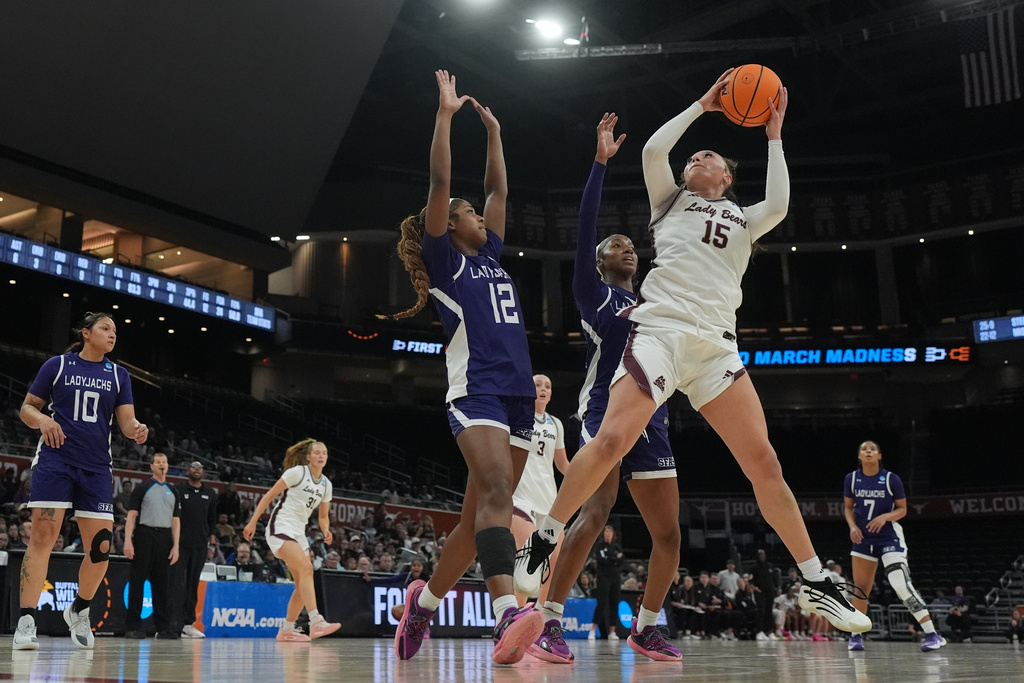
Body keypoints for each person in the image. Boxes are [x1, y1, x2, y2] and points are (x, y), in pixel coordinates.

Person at [515, 70, 868, 641]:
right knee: (609, 442)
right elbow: (656, 147)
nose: (695, 156)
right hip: (660, 332)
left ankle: (815, 580)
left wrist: (774, 135)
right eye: (694, 155)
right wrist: (704, 106)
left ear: (727, 177)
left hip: (714, 347)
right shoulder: (669, 200)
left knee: (766, 464)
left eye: (708, 156)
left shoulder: (745, 217)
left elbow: (778, 200)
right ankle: (545, 536)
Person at [387, 70, 542, 665]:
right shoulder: (444, 259)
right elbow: (441, 179)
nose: (482, 216)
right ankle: (508, 617)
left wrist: (497, 135)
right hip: (473, 392)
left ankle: (421, 606)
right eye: (470, 213)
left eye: (480, 213)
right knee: (500, 490)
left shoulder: (494, 255)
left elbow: (500, 193)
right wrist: (447, 116)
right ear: (451, 225)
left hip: (517, 395)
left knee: (476, 522)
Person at [523, 114, 683, 664]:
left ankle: (647, 625)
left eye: (631, 245)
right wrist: (599, 163)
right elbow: (587, 224)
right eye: (618, 245)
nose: (628, 249)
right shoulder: (595, 296)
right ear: (600, 262)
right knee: (596, 513)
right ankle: (549, 620)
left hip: (652, 416)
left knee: (669, 534)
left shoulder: (652, 305)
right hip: (601, 410)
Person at [16, 312, 149, 650]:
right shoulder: (57, 366)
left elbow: (126, 421)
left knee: (102, 545)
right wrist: (43, 421)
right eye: (106, 328)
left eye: (115, 330)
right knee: (43, 537)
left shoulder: (118, 375)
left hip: (95, 467)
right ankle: (27, 621)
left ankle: (79, 609)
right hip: (55, 460)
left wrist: (136, 430)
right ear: (86, 333)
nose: (112, 334)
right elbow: (27, 409)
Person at [844, 440, 946, 652]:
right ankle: (855, 636)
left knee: (900, 584)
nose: (868, 451)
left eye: (873, 449)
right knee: (861, 589)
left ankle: (932, 634)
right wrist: (852, 526)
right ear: (859, 456)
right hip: (863, 538)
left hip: (889, 536)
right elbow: (848, 508)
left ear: (879, 455)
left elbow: (902, 509)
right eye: (864, 449)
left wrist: (885, 517)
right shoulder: (851, 479)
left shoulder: (891, 479)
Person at [243, 439, 340, 642]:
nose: (321, 456)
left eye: (325, 453)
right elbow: (269, 495)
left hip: (298, 533)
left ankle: (286, 629)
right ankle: (316, 621)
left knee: (301, 583)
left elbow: (323, 516)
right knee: (307, 569)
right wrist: (252, 522)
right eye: (317, 452)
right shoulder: (297, 472)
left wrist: (326, 530)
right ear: (308, 456)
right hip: (280, 526)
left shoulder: (326, 484)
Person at [510, 374, 569, 605]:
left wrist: (590, 477)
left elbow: (562, 464)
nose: (543, 388)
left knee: (552, 571)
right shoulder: (517, 416)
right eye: (538, 385)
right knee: (528, 568)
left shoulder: (556, 423)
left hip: (550, 503)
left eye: (548, 385)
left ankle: (543, 624)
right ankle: (512, 621)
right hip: (521, 499)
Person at [123, 453, 180, 639]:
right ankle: (133, 626)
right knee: (138, 581)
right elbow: (131, 516)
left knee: (162, 584)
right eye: (158, 462)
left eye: (164, 462)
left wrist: (176, 545)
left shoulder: (174, 491)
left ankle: (163, 628)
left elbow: (176, 521)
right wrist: (128, 541)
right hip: (144, 534)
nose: (162, 465)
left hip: (165, 537)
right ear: (152, 466)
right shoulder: (143, 488)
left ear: (168, 465)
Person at [172, 461, 218, 639]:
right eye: (193, 467)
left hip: (200, 545)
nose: (196, 470)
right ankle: (172, 623)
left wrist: (211, 543)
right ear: (187, 471)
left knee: (192, 585)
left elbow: (212, 520)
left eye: (199, 468)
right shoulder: (178, 490)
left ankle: (188, 624)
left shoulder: (210, 493)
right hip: (179, 544)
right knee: (177, 583)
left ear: (203, 472)